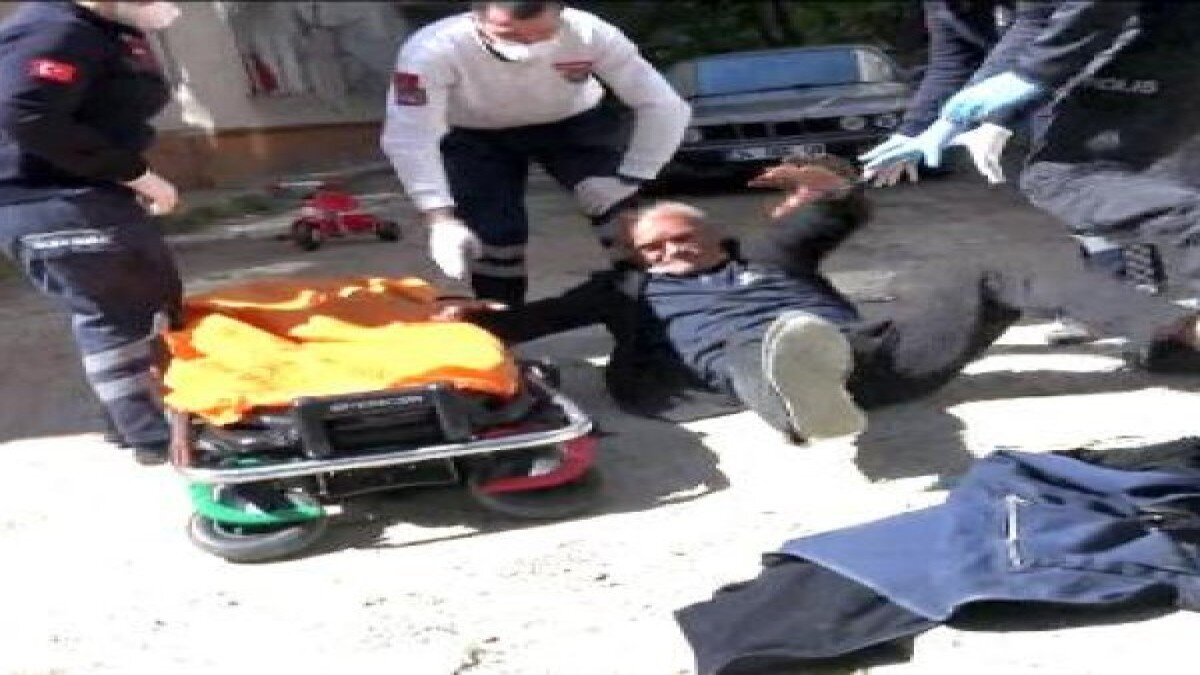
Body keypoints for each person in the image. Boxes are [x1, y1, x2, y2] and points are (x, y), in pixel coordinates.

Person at [467, 155, 1200, 441]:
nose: (668, 254)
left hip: (874, 361)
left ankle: (1178, 331)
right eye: (651, 250)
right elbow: (530, 322)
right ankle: (803, 399)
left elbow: (838, 211)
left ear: (712, 232)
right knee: (759, 349)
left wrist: (830, 182)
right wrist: (458, 318)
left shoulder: (769, 252)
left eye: (679, 238)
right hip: (742, 368)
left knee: (994, 270)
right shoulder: (623, 288)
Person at [863, 2, 1196, 301]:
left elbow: (1036, 24)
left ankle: (1141, 286)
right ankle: (1123, 297)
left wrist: (1020, 89)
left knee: (1073, 177)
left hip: (1143, 47)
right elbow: (954, 60)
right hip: (1073, 67)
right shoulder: (947, 7)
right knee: (1086, 194)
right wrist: (918, 132)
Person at [380, 1, 690, 307]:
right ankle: (501, 323)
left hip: (573, 125)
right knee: (494, 236)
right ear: (476, 16)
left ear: (561, 12)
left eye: (542, 34)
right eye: (509, 34)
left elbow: (663, 105)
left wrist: (633, 176)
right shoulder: (431, 50)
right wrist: (439, 218)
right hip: (474, 135)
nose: (527, 45)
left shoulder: (591, 34)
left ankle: (662, 308)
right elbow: (410, 135)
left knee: (623, 217)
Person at [0, 1, 185, 465]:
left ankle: (134, 421)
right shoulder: (54, 29)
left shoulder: (101, 30)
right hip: (50, 199)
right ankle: (151, 436)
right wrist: (135, 174)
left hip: (89, 193)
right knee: (114, 311)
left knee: (152, 302)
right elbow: (27, 112)